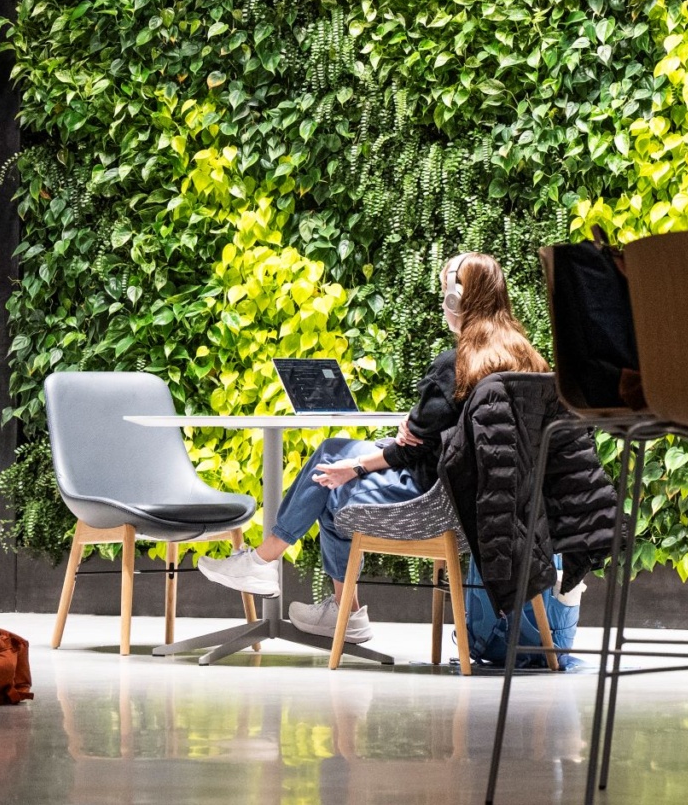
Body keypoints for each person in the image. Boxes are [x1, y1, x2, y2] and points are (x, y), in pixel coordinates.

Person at [198, 252, 547, 646]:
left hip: (433, 499)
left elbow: (415, 449)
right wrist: (404, 438)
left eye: (443, 291)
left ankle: (271, 565)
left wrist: (362, 466)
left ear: (456, 298)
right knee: (334, 454)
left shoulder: (458, 364)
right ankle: (335, 607)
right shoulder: (528, 361)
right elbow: (436, 436)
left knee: (330, 473)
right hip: (493, 506)